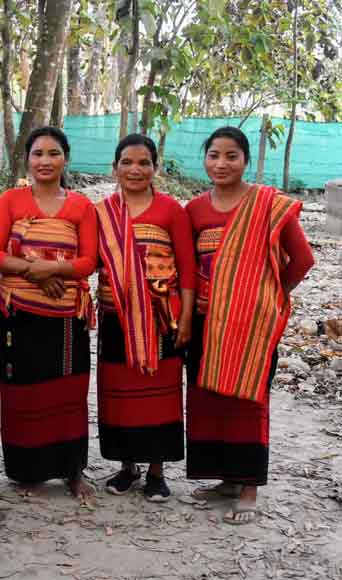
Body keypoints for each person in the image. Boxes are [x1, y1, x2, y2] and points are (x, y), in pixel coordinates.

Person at [186, 126, 314, 524]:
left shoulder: (267, 205)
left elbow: (303, 260)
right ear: (205, 159)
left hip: (251, 325)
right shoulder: (195, 210)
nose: (221, 164)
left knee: (248, 400)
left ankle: (249, 488)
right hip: (207, 321)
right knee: (210, 399)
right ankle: (226, 479)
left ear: (245, 160)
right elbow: (189, 265)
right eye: (214, 155)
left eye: (231, 156)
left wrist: (269, 296)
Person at [0, 126, 97, 499]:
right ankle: (27, 470)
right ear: (27, 159)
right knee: (23, 392)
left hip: (66, 316)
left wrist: (53, 270)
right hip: (19, 313)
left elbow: (88, 261)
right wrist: (36, 271)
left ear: (66, 158)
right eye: (38, 153)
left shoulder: (81, 206)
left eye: (53, 153)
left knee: (68, 393)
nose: (45, 161)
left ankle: (72, 470)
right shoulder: (10, 201)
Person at [95, 134, 196, 502]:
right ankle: (127, 466)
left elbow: (187, 267)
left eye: (143, 163)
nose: (135, 170)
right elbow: (91, 261)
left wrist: (186, 318)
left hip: (161, 317)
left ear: (155, 167)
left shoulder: (171, 210)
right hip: (115, 316)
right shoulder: (102, 213)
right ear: (115, 168)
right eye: (127, 162)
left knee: (160, 395)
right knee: (119, 392)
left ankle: (156, 471)